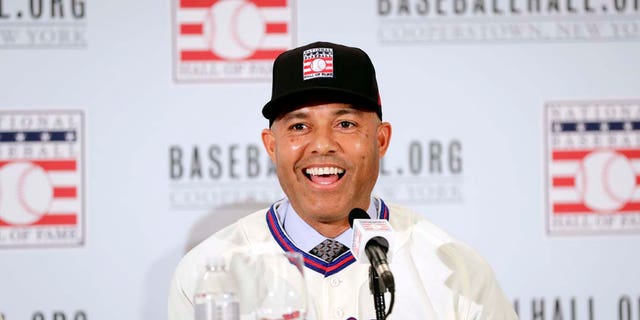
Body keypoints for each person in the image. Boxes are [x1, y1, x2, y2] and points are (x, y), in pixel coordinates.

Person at [168, 41, 518, 320]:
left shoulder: (454, 269)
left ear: (381, 140)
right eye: (299, 126)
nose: (321, 144)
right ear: (271, 146)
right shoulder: (208, 273)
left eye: (345, 124)